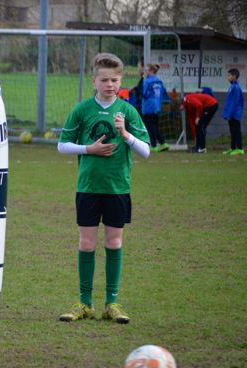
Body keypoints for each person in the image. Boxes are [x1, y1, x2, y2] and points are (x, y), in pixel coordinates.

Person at [57, 53, 150, 324]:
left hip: (117, 188)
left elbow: (146, 151)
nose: (110, 85)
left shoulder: (128, 111)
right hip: (88, 187)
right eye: (104, 80)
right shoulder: (82, 110)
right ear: (94, 81)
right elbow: (62, 145)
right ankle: (85, 303)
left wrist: (125, 134)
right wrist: (89, 149)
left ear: (121, 81)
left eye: (114, 80)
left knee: (114, 242)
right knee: (87, 244)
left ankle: (112, 303)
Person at [142, 64, 169, 152]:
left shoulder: (147, 82)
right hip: (157, 107)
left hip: (148, 107)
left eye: (146, 70)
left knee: (150, 127)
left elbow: (144, 94)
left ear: (151, 71)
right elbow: (164, 92)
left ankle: (155, 145)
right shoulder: (159, 81)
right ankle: (161, 143)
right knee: (155, 126)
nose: (145, 72)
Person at [222, 68, 244, 156]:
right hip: (231, 113)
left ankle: (240, 149)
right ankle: (233, 148)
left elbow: (234, 103)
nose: (227, 77)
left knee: (237, 131)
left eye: (229, 75)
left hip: (235, 114)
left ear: (234, 76)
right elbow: (229, 102)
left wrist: (229, 114)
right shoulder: (232, 86)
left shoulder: (236, 87)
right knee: (232, 131)